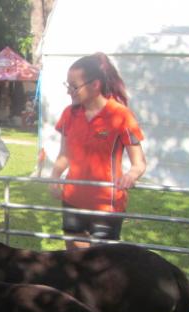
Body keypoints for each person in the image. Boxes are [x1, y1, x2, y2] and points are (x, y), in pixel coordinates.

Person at [49, 52, 146, 250]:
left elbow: (139, 163)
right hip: (72, 201)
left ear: (95, 85)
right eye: (67, 85)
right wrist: (54, 177)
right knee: (75, 264)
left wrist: (131, 175)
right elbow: (64, 155)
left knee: (100, 269)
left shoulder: (121, 115)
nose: (69, 92)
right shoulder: (69, 114)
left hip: (106, 206)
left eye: (74, 87)